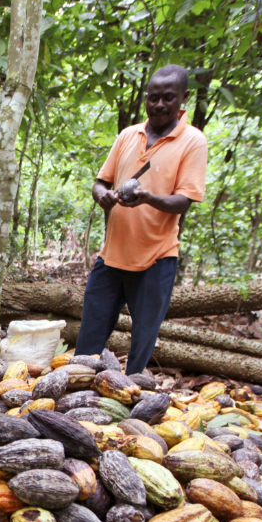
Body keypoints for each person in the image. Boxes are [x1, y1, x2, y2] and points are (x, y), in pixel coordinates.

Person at [75, 64, 208, 375]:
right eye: (153, 98)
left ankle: (130, 398)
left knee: (142, 342)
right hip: (111, 257)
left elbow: (184, 201)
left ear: (183, 98)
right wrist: (101, 195)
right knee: (87, 342)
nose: (159, 105)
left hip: (155, 259)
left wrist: (148, 197)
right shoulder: (127, 135)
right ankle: (77, 398)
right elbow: (100, 181)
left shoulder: (193, 141)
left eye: (167, 98)